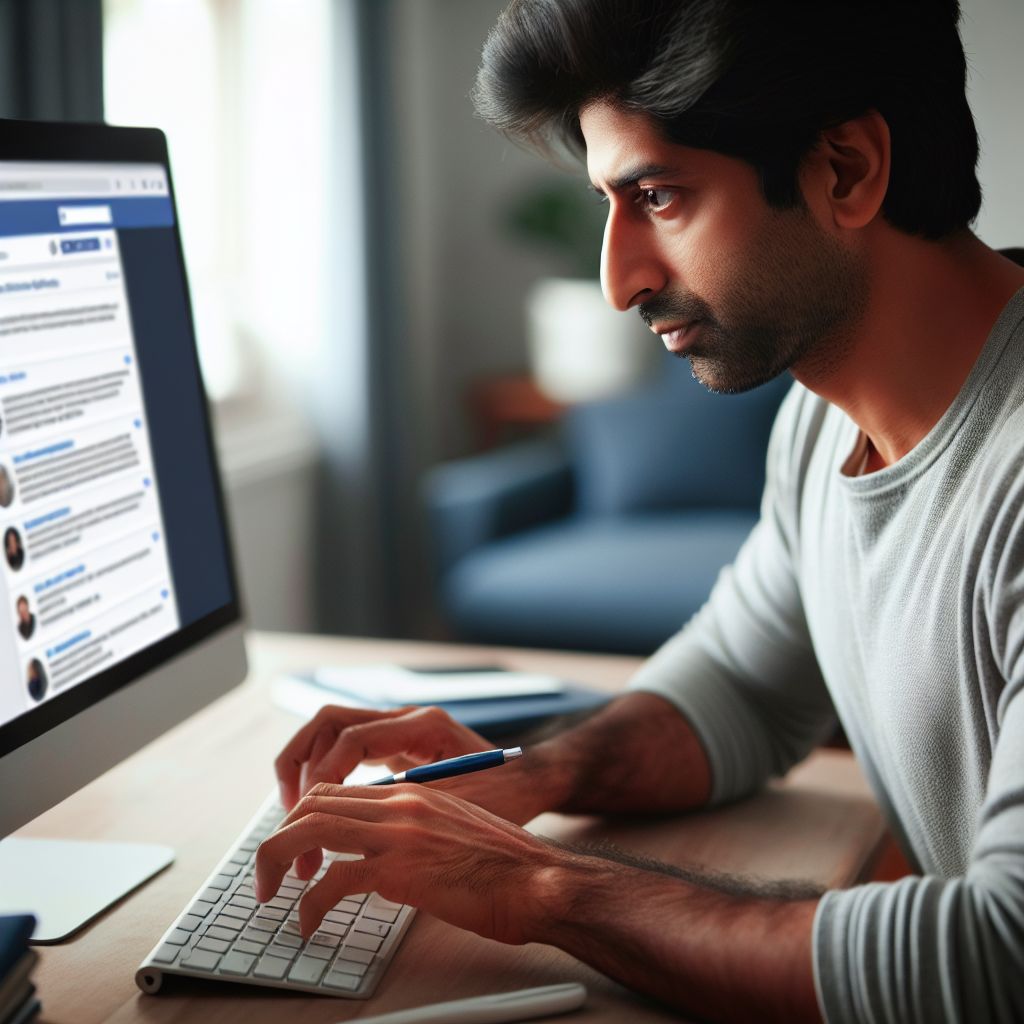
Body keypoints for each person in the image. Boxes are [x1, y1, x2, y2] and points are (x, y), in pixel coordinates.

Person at [253, 2, 1024, 1021]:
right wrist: (525, 778)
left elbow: (996, 958)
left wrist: (532, 883)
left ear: (845, 169)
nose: (620, 280)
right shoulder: (817, 422)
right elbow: (741, 685)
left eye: (657, 196)